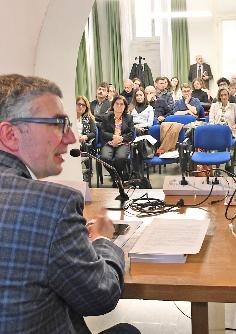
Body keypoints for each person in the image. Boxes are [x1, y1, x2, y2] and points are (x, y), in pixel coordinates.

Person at [0, 74, 138, 333]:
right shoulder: (51, 206)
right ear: (10, 134)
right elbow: (100, 296)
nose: (71, 138)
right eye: (57, 124)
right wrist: (103, 241)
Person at [100, 95, 135, 181]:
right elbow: (103, 132)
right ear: (113, 105)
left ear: (125, 106)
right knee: (104, 158)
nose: (119, 106)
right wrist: (113, 137)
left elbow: (131, 134)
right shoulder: (106, 117)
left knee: (121, 158)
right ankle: (117, 176)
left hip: (123, 143)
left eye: (121, 104)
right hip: (110, 143)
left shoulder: (129, 118)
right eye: (117, 104)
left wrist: (121, 138)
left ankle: (116, 178)